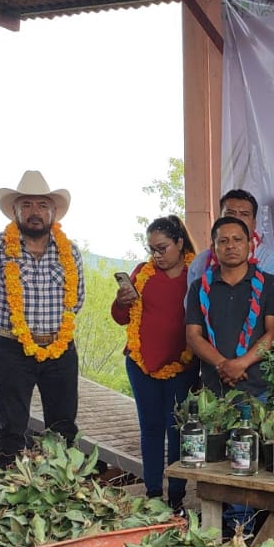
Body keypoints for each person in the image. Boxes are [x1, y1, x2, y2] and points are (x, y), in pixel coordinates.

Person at [0, 170, 86, 468]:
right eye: (26, 205)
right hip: (11, 349)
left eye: (41, 206)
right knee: (11, 427)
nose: (34, 213)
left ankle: (61, 491)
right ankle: (4, 500)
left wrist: (54, 333)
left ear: (54, 212)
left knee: (63, 428)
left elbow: (78, 299)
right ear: (14, 211)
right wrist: (10, 329)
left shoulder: (69, 251)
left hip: (61, 350)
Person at [112, 215, 199, 510]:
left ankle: (176, 497)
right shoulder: (142, 273)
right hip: (141, 364)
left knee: (177, 430)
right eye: (152, 249)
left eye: (162, 248)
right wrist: (121, 301)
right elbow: (121, 317)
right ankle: (152, 495)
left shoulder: (195, 273)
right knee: (150, 429)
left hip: (182, 367)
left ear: (179, 243)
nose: (156, 255)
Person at [184, 215, 274, 399]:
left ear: (250, 245)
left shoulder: (270, 284)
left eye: (237, 240)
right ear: (214, 248)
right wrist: (224, 365)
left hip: (259, 391)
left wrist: (241, 364)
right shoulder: (200, 287)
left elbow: (273, 333)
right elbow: (193, 336)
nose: (231, 246)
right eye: (223, 241)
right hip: (214, 391)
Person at [186, 188, 274, 285]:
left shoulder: (271, 261)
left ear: (254, 224)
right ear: (219, 219)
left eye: (244, 214)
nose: (237, 220)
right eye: (230, 213)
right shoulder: (199, 263)